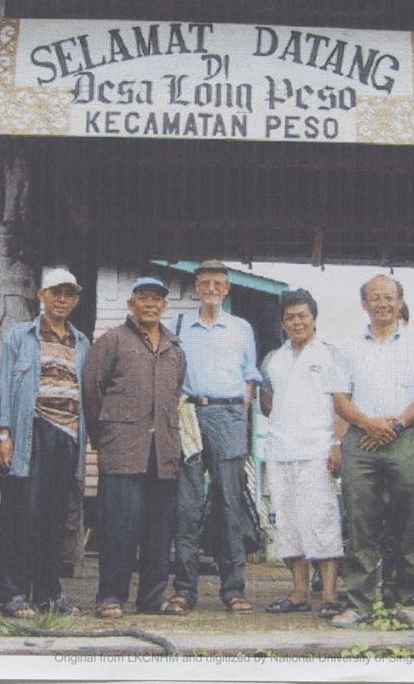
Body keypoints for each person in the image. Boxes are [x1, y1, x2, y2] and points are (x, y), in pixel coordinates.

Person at [329, 274, 414, 627]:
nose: (383, 304)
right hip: (360, 440)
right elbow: (339, 398)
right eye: (375, 298)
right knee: (360, 522)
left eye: (389, 297)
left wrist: (395, 425)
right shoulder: (347, 347)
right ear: (364, 304)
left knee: (411, 519)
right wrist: (369, 423)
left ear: (400, 302)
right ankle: (359, 604)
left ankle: (413, 602)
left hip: (406, 436)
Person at [83, 277, 187, 618]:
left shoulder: (175, 348)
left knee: (159, 531)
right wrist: (107, 439)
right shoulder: (112, 341)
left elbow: (174, 398)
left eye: (157, 299)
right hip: (123, 449)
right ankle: (111, 596)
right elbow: (92, 393)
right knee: (118, 527)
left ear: (164, 306)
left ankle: (153, 596)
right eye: (143, 298)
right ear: (131, 304)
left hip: (164, 452)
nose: (150, 304)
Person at [0, 267, 90, 617]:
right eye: (55, 292)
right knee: (22, 515)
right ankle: (12, 595)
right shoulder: (20, 336)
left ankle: (48, 594)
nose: (61, 299)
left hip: (68, 438)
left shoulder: (81, 343)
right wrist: (3, 433)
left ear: (76, 299)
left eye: (68, 294)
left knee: (54, 518)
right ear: (41, 295)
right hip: (31, 432)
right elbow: (2, 385)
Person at [172, 260, 262, 614]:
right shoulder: (179, 325)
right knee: (187, 504)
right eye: (205, 283)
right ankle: (184, 589)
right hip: (190, 415)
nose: (211, 289)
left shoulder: (241, 328)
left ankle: (233, 588)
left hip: (228, 415)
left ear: (227, 289)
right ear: (196, 286)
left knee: (230, 502)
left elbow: (250, 375)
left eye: (218, 284)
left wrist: (241, 410)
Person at [258, 289, 344, 619]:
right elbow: (267, 403)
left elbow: (341, 403)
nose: (297, 322)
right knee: (288, 523)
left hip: (318, 451)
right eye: (290, 317)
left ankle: (331, 594)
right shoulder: (273, 360)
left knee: (321, 519)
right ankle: (298, 592)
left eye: (302, 316)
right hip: (280, 451)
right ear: (283, 323)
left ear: (314, 319)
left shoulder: (330, 355)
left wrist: (337, 444)